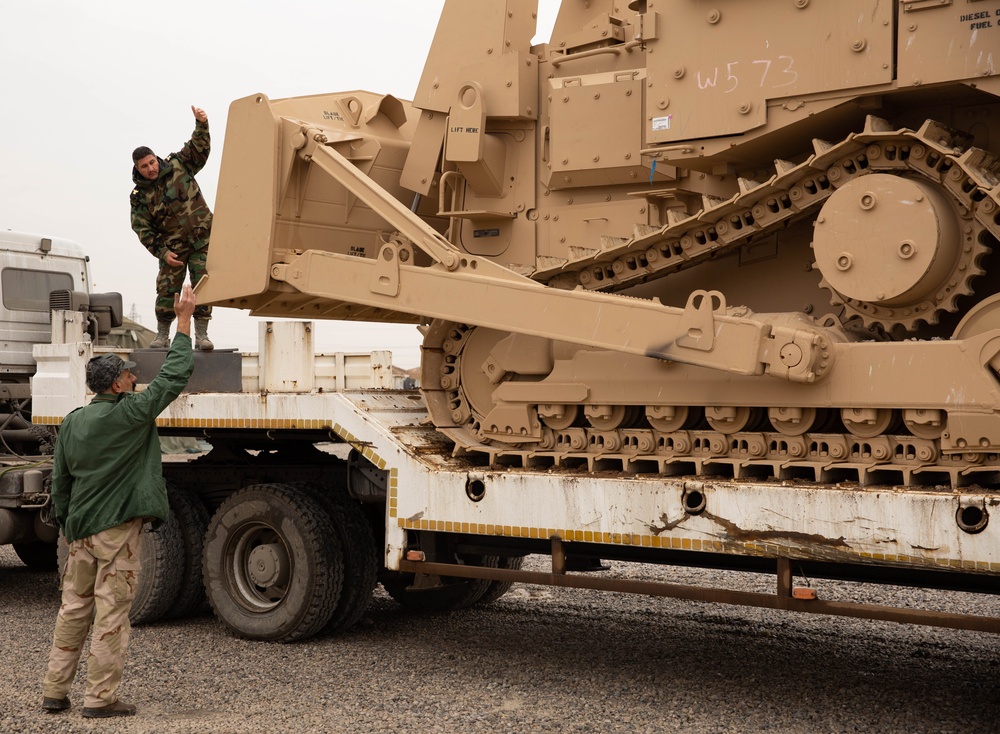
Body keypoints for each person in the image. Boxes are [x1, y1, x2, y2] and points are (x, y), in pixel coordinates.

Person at [41, 285, 197, 719]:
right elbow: (173, 378)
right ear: (115, 383)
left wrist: (71, 525)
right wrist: (184, 322)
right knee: (111, 615)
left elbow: (61, 481)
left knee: (73, 610)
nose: (134, 377)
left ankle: (55, 692)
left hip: (81, 533)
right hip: (115, 535)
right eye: (128, 374)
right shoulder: (131, 414)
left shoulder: (72, 422)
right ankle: (99, 699)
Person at [130, 105, 214, 351]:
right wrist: (163, 252)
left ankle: (202, 335)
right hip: (172, 250)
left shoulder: (178, 164)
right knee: (167, 289)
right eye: (144, 167)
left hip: (202, 239)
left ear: (157, 158)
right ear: (137, 169)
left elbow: (199, 150)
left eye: (152, 162)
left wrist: (202, 123)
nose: (151, 169)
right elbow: (143, 230)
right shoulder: (139, 197)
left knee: (204, 285)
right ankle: (162, 335)